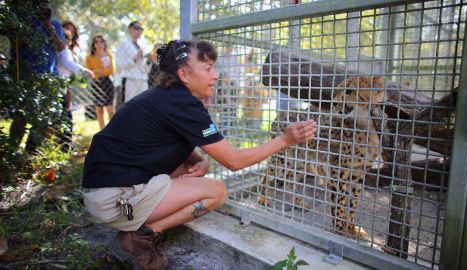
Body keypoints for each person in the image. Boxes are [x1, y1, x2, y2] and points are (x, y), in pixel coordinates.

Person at [82, 39, 316, 270]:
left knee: (187, 171)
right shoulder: (183, 104)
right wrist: (285, 140)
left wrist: (198, 159)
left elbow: (158, 143)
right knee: (217, 191)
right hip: (116, 202)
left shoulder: (167, 97)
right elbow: (233, 161)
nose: (215, 75)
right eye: (207, 68)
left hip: (106, 196)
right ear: (184, 75)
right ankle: (140, 238)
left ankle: (135, 230)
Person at [8, 1, 66, 153]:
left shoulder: (54, 24)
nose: (43, 7)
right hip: (25, 76)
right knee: (21, 117)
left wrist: (48, 25)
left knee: (45, 119)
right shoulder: (22, 22)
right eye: (40, 4)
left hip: (48, 77)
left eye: (46, 4)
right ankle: (12, 151)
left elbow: (61, 47)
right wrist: (27, 21)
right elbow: (15, 44)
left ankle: (30, 153)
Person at [56, 25, 94, 151]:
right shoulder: (63, 51)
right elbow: (68, 63)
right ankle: (64, 146)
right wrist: (84, 71)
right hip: (59, 90)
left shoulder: (58, 50)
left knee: (63, 117)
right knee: (64, 118)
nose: (66, 41)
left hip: (62, 89)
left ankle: (64, 146)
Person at [115, 21, 150, 106]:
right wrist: (135, 59)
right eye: (137, 28)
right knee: (129, 106)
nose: (139, 31)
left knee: (144, 105)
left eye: (141, 29)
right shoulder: (123, 44)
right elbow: (119, 65)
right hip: (129, 78)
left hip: (143, 79)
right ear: (129, 29)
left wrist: (149, 61)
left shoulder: (143, 45)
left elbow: (146, 68)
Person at [86, 35, 115, 129]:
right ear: (93, 44)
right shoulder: (90, 57)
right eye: (96, 42)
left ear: (104, 43)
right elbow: (89, 71)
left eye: (101, 41)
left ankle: (113, 129)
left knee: (110, 109)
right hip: (96, 84)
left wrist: (98, 71)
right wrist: (100, 71)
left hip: (107, 82)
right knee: (99, 110)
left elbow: (111, 70)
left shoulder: (108, 55)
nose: (99, 44)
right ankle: (102, 131)